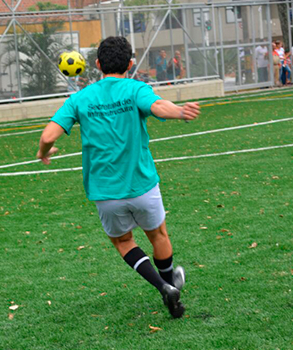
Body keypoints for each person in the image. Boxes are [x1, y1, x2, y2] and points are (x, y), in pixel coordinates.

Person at [36, 36, 200, 318]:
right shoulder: (136, 89)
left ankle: (163, 287)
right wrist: (180, 112)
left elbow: (48, 135)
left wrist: (44, 152)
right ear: (131, 63)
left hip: (105, 191)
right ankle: (170, 282)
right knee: (158, 234)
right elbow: (158, 106)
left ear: (98, 64)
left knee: (124, 242)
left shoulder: (79, 99)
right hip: (141, 184)